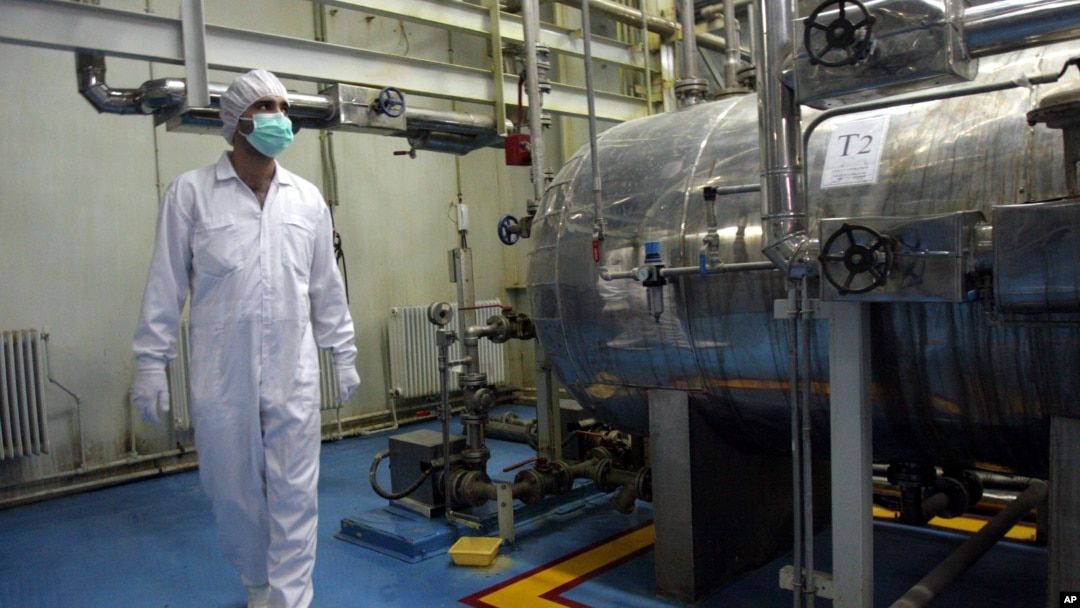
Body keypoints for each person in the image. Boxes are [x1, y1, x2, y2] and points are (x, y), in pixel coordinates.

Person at [131, 69, 359, 608]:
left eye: (283, 105)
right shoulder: (190, 195)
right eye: (265, 105)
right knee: (230, 492)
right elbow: (165, 285)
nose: (280, 117)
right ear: (235, 121)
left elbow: (327, 287)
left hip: (292, 371)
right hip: (222, 374)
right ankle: (258, 582)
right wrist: (149, 362)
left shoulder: (307, 201)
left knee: (296, 493)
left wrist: (342, 353)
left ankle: (290, 599)